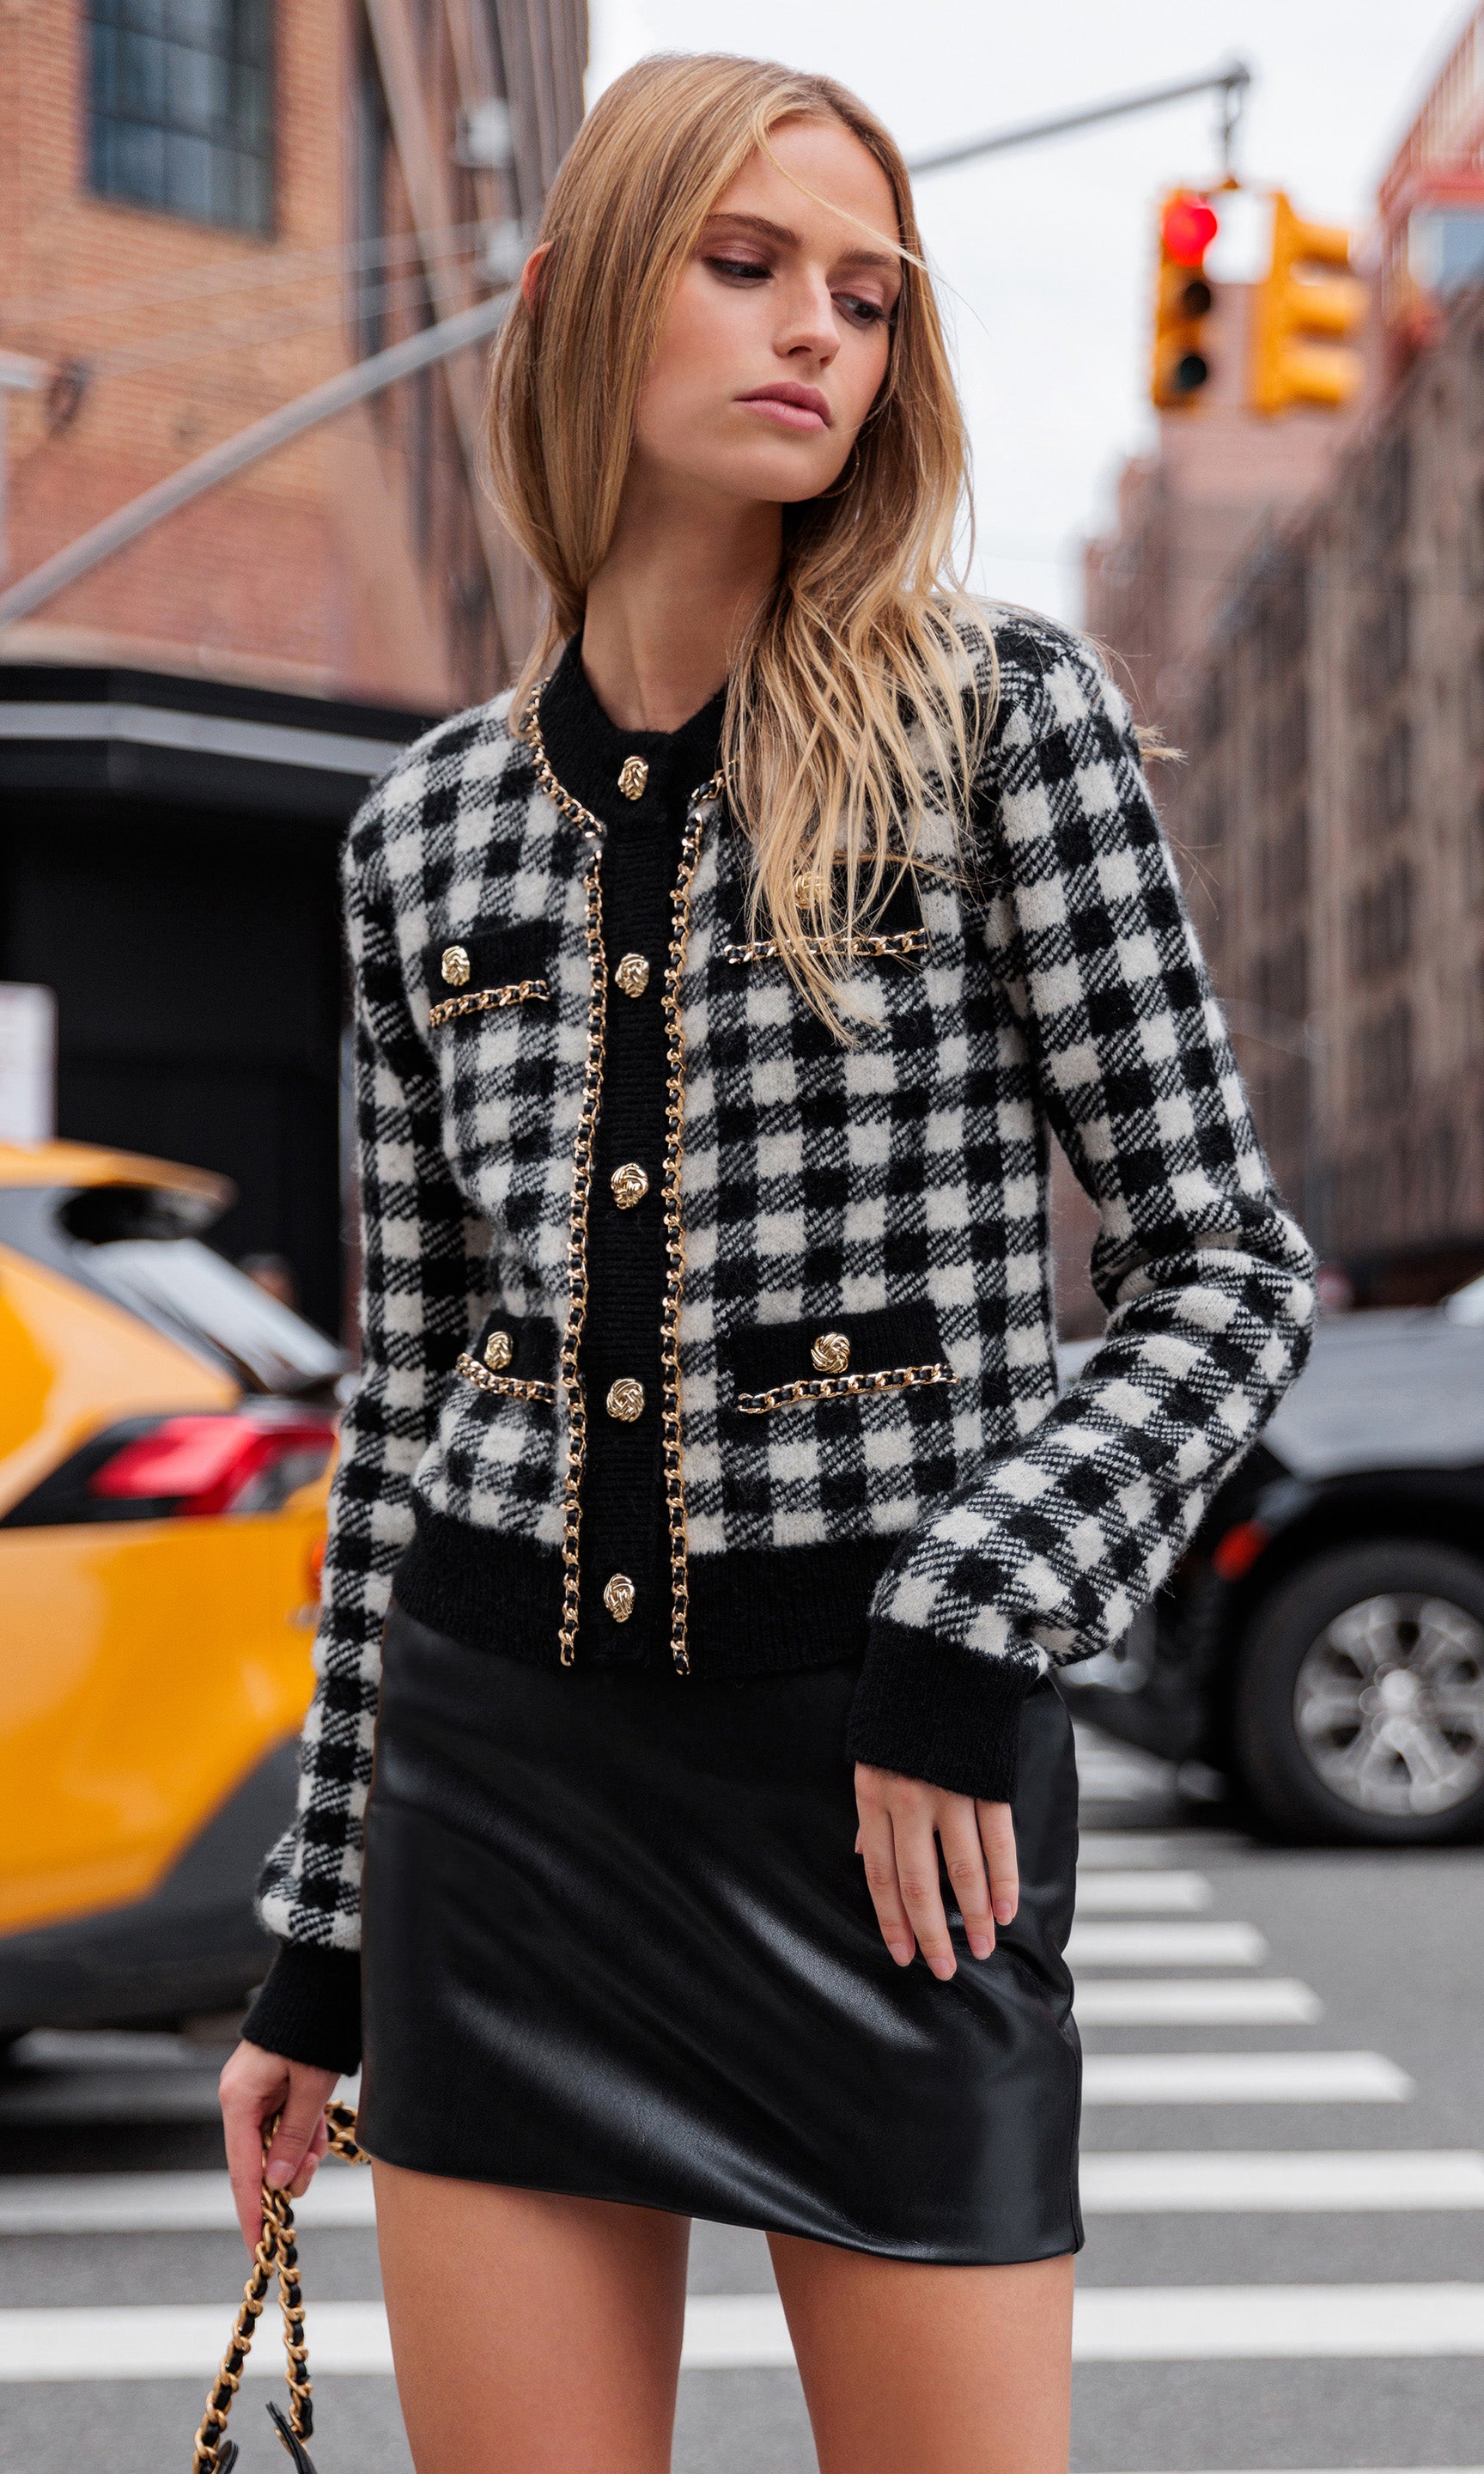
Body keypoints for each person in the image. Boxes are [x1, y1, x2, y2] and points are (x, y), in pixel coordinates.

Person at [220, 53, 1315, 2474]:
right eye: (745, 267)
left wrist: (971, 1616)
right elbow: (412, 1413)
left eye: (864, 294)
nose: (818, 333)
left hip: (894, 1809)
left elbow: (1230, 1266)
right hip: (503, 1822)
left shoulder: (1006, 727)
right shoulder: (419, 841)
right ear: (579, 294)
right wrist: (322, 1937)